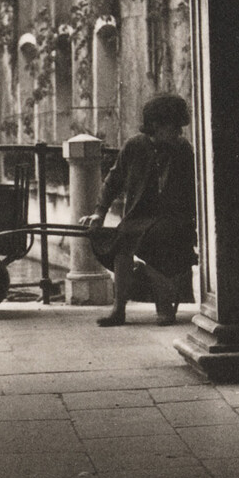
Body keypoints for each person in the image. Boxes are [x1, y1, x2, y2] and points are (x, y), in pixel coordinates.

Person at [83, 93, 197, 327]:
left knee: (158, 238)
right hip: (140, 216)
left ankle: (164, 308)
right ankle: (119, 309)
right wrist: (99, 213)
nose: (179, 132)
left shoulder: (183, 150)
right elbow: (113, 181)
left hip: (173, 218)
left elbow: (195, 190)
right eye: (174, 126)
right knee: (124, 238)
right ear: (156, 125)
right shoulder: (134, 146)